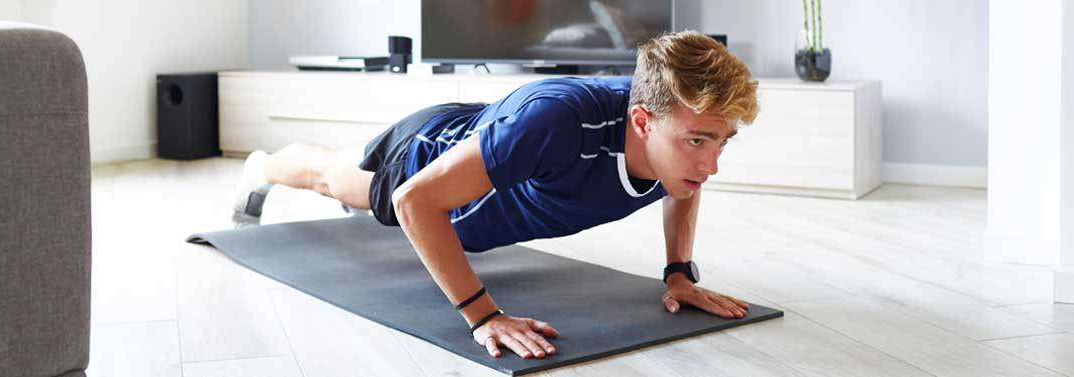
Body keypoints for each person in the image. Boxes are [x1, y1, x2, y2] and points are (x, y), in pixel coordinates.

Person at [231, 30, 760, 360]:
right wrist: (484, 316)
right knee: (331, 177)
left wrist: (679, 273)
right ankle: (264, 166)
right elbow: (415, 200)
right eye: (697, 141)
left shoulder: (674, 138)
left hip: (498, 147)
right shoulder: (559, 121)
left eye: (722, 142)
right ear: (642, 123)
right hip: (426, 155)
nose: (710, 165)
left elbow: (681, 183)